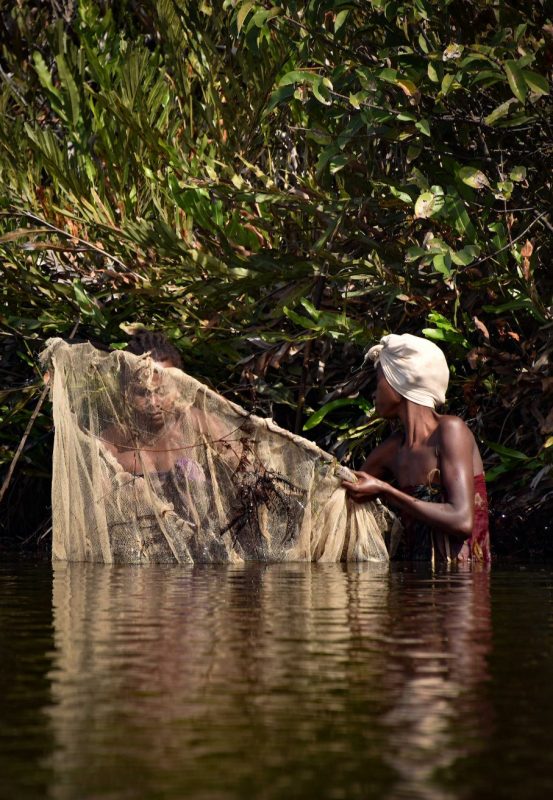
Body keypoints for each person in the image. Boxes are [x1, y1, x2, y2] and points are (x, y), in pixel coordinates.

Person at [342, 333, 490, 562]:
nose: (373, 392)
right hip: (414, 581)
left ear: (400, 380)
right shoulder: (392, 450)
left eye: (378, 381)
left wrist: (386, 491)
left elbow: (462, 521)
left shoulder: (450, 431)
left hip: (465, 580)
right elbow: (349, 489)